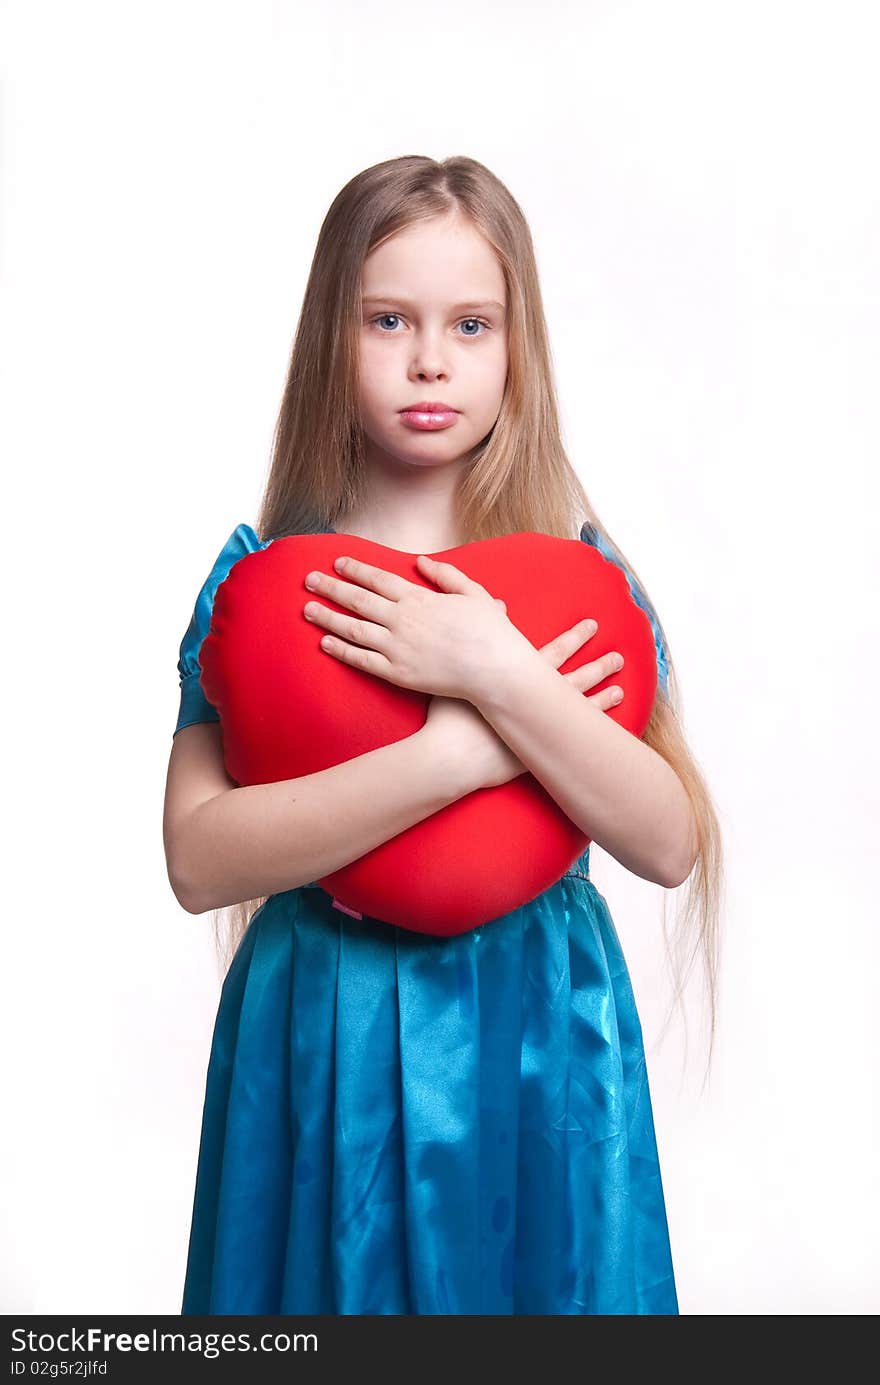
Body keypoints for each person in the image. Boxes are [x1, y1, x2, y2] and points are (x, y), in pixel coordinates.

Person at [163, 154, 723, 1316]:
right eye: (387, 320)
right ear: (333, 336)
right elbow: (197, 857)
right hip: (327, 1019)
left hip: (540, 1027)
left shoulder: (581, 579)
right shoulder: (262, 587)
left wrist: (499, 674)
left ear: (518, 347)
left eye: (471, 323)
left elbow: (668, 841)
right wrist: (456, 753)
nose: (430, 358)